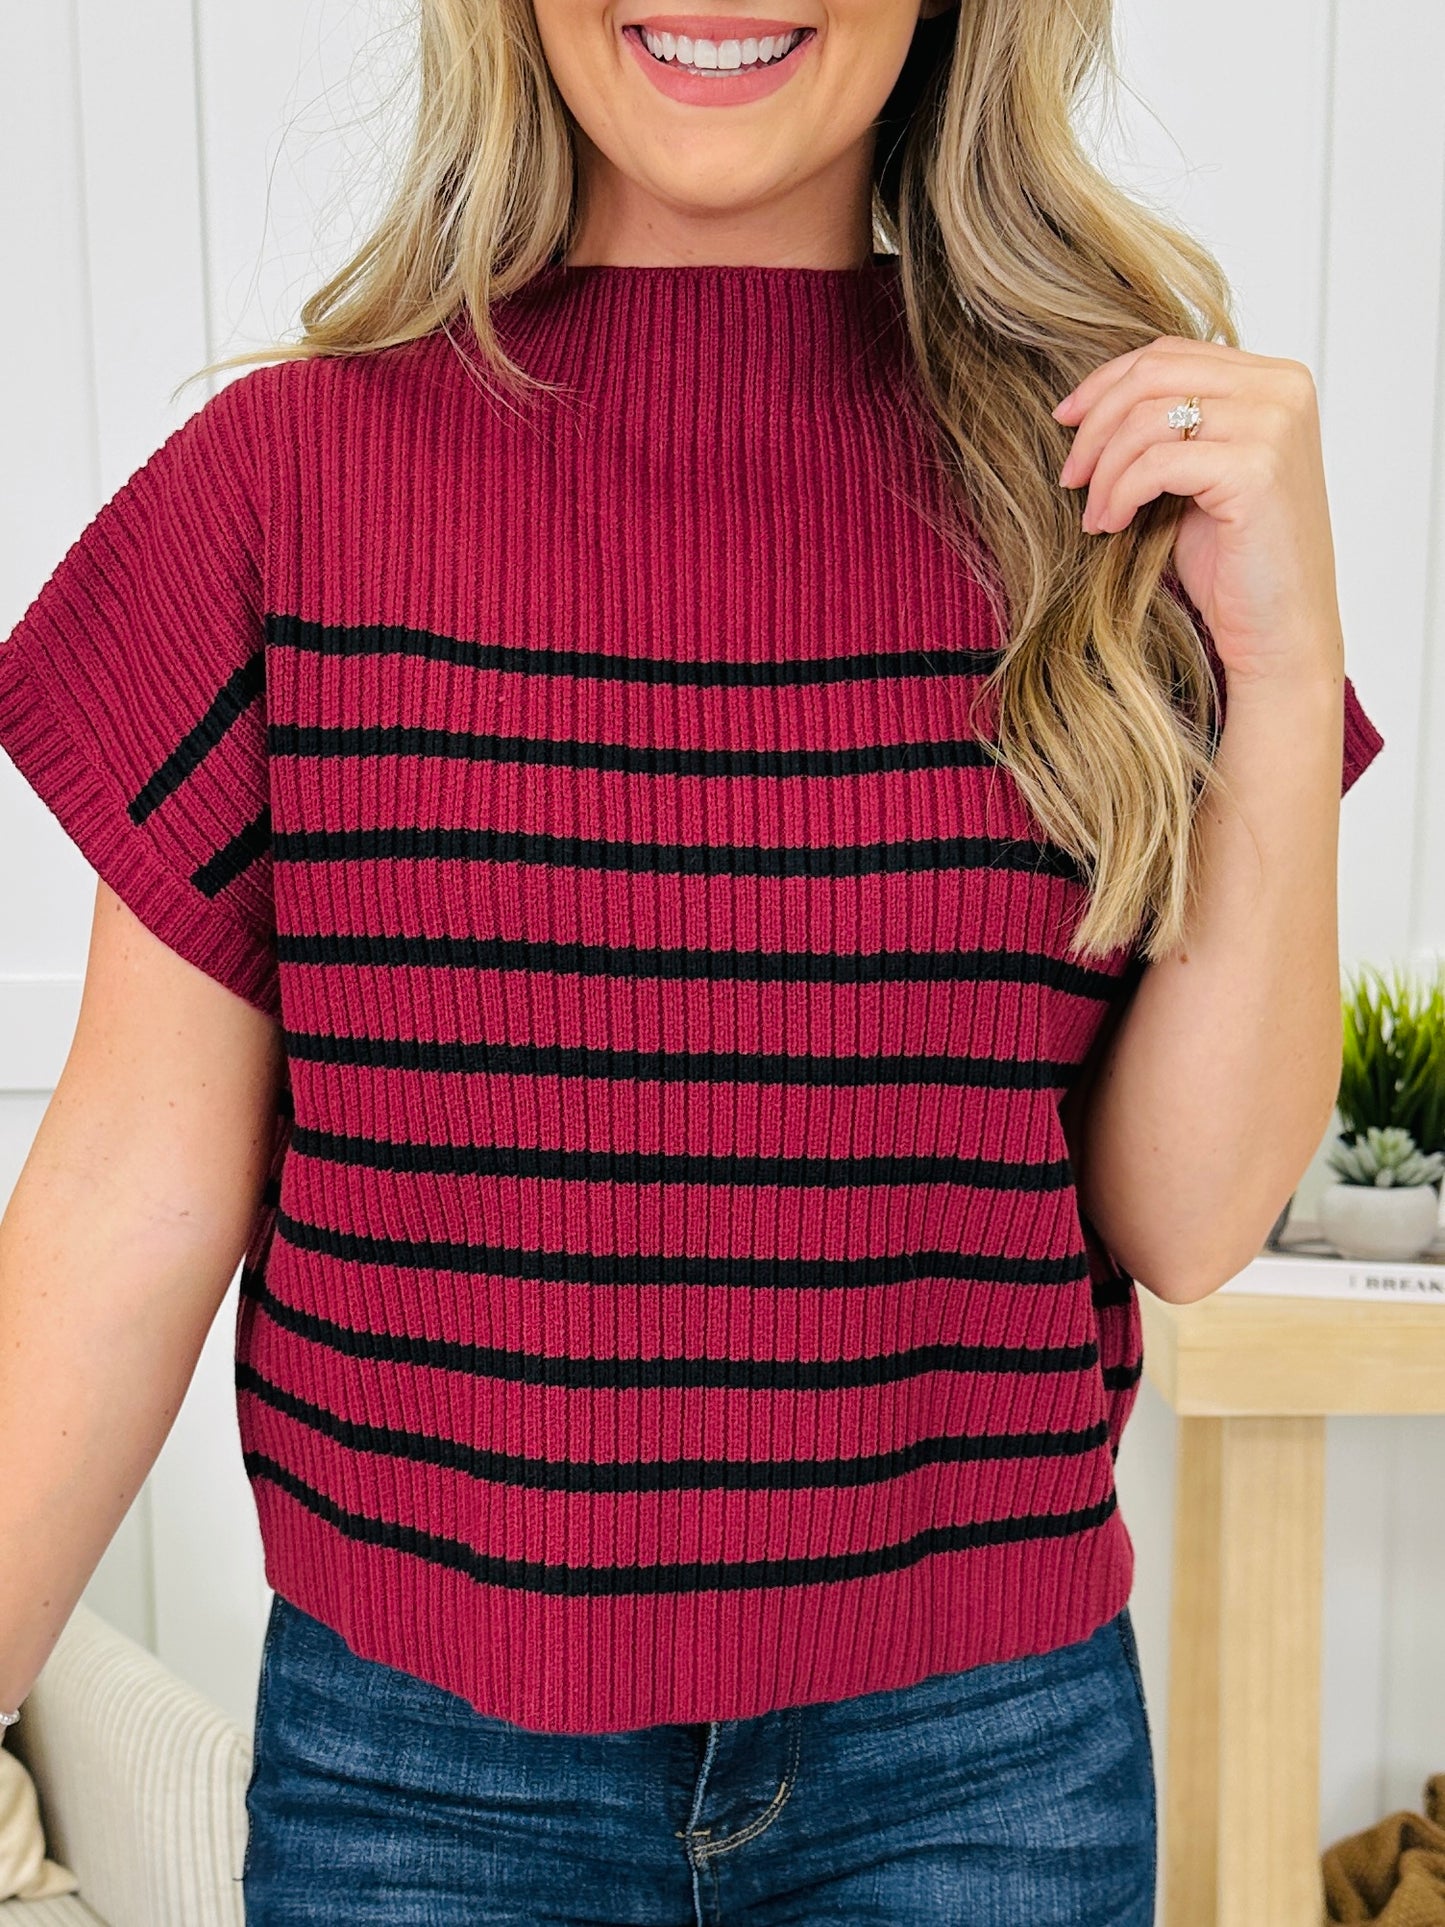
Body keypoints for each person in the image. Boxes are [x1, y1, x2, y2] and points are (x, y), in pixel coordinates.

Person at [0, 0, 1385, 1918]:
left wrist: (1284, 665)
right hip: (424, 1793)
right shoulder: (278, 489)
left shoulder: (1103, 501)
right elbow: (131, 1195)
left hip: (976, 1785)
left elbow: (1190, 1215)